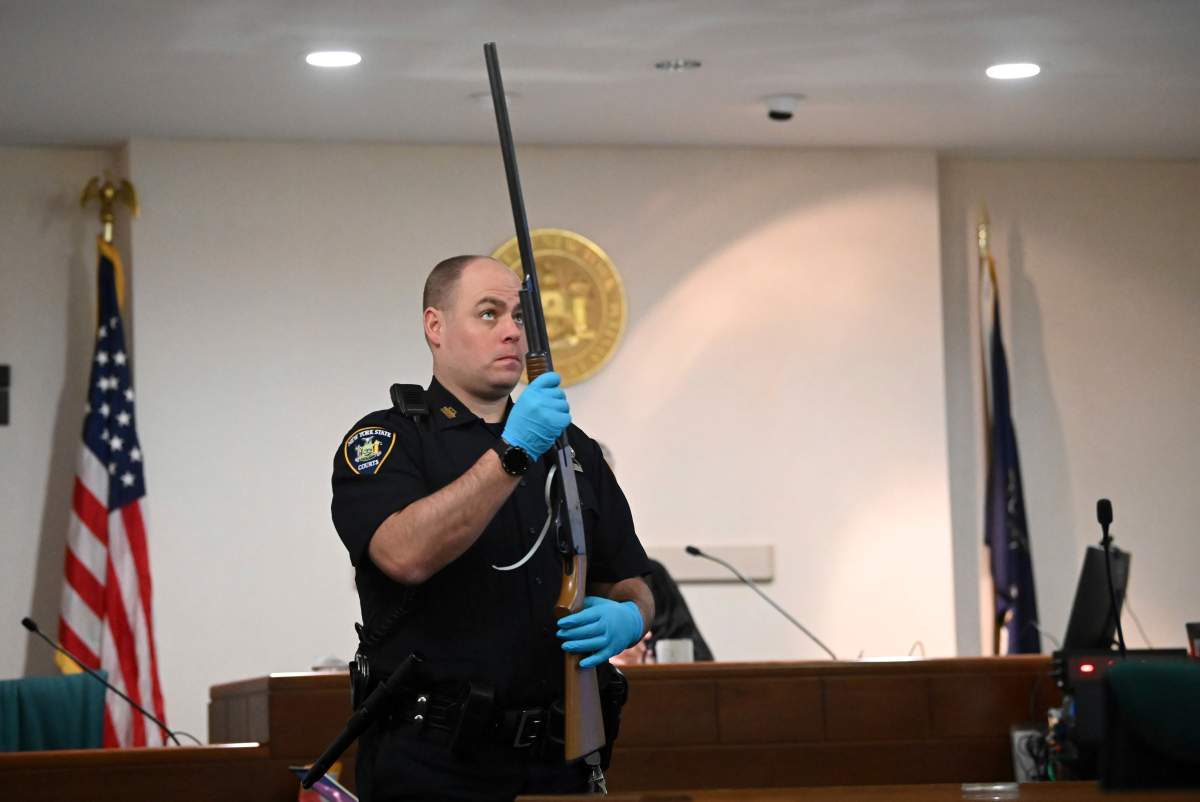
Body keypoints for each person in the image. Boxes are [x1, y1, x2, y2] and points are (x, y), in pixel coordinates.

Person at [331, 255, 653, 802]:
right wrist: (512, 451)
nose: (511, 330)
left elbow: (629, 578)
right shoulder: (389, 441)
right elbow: (404, 554)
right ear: (435, 326)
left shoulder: (572, 450)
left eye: (518, 317)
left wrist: (629, 616)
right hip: (434, 760)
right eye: (488, 313)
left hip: (557, 758)